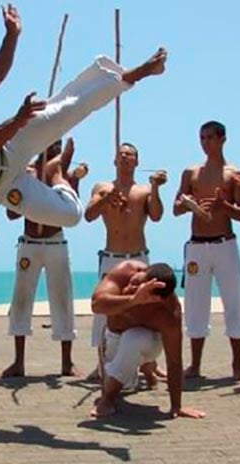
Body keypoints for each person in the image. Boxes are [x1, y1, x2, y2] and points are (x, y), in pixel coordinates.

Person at [0, 4, 168, 227]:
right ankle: (55, 176)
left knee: (70, 108)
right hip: (2, 187)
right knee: (71, 215)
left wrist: (12, 35)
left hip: (8, 147)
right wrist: (16, 121)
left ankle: (141, 71)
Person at [173, 121, 240, 380]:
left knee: (234, 302)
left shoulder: (233, 173)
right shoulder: (190, 173)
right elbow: (176, 206)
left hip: (224, 243)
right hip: (197, 245)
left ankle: (237, 365)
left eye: (210, 138)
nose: (205, 143)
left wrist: (222, 205)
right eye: (202, 138)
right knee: (195, 304)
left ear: (222, 139)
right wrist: (189, 204)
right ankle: (195, 365)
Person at [2, 138, 86, 378]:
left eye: (58, 147)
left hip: (55, 243)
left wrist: (75, 180)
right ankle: (18, 361)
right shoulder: (26, 172)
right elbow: (10, 213)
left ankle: (67, 362)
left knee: (62, 300)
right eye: (51, 144)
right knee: (21, 300)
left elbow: (72, 209)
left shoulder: (62, 176)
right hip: (29, 244)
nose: (54, 151)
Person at [84, 142, 167, 384]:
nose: (124, 157)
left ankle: (148, 365)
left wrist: (155, 187)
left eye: (129, 155)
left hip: (138, 258)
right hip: (112, 258)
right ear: (114, 161)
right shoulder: (103, 187)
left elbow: (157, 215)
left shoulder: (142, 191)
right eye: (121, 154)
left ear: (136, 162)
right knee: (104, 312)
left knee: (143, 310)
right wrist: (105, 198)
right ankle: (102, 364)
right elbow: (89, 215)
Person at [90, 260, 206, 419]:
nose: (133, 288)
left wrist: (176, 406)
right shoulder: (125, 270)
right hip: (114, 336)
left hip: (147, 341)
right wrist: (133, 300)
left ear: (158, 300)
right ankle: (147, 367)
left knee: (135, 340)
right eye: (136, 282)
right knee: (124, 382)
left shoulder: (168, 312)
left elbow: (174, 361)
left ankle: (107, 400)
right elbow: (96, 305)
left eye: (142, 290)